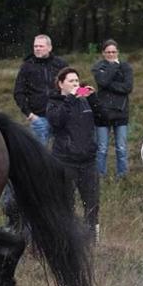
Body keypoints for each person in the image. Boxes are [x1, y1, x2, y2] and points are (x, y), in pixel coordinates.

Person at [46, 67, 99, 243]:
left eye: (77, 81)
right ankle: (67, 238)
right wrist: (69, 99)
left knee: (92, 203)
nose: (76, 84)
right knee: (66, 203)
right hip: (65, 161)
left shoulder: (85, 101)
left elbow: (104, 118)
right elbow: (56, 122)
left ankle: (92, 239)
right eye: (71, 81)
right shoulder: (54, 103)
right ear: (61, 84)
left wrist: (93, 98)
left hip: (88, 161)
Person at [90, 39, 133, 180]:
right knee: (102, 148)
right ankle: (100, 176)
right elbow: (101, 81)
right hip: (102, 113)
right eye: (108, 52)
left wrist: (108, 84)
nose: (111, 54)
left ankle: (122, 176)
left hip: (121, 113)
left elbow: (127, 88)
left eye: (113, 52)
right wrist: (114, 67)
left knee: (121, 148)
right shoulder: (97, 67)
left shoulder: (126, 67)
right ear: (103, 53)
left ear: (118, 52)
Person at [13, 34, 67, 144]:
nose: (37, 49)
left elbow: (72, 85)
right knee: (39, 156)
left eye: (41, 46)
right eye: (35, 46)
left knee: (61, 154)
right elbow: (18, 92)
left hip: (60, 117)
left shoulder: (60, 64)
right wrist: (30, 114)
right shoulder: (27, 66)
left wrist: (84, 92)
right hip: (39, 119)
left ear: (49, 48)